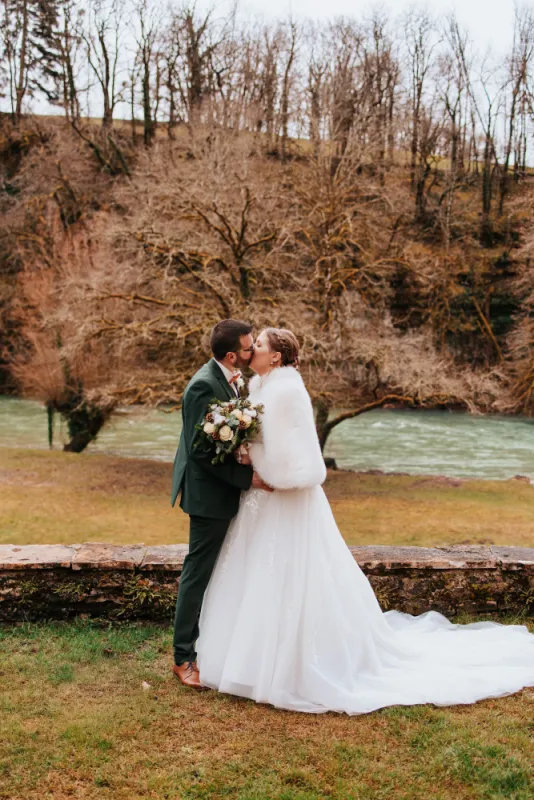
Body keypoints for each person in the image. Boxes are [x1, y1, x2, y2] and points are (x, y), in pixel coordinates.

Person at [195, 327, 534, 714]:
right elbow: (262, 439)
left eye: (259, 345)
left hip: (283, 498)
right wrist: (243, 451)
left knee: (290, 575)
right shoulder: (258, 388)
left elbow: (296, 456)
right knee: (256, 572)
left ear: (276, 357)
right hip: (262, 498)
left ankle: (291, 665)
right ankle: (248, 658)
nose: (251, 349)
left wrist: (259, 468)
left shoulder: (286, 390)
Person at [170, 319, 271, 690]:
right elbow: (198, 451)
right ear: (233, 355)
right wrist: (248, 480)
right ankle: (183, 658)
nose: (253, 352)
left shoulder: (232, 378)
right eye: (249, 348)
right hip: (208, 495)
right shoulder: (202, 385)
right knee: (197, 573)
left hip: (226, 491)